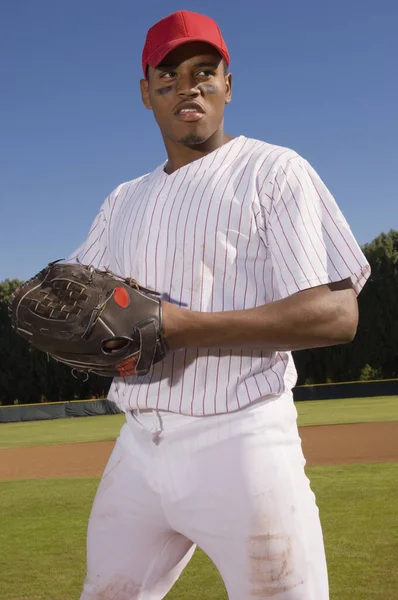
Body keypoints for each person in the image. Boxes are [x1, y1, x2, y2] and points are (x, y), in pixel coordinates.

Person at [72, 10, 370, 600]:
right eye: (169, 76)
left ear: (228, 85)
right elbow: (84, 307)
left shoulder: (273, 171)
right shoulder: (122, 201)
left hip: (242, 440)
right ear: (146, 94)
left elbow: (338, 315)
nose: (189, 87)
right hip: (138, 443)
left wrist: (181, 327)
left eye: (205, 72)